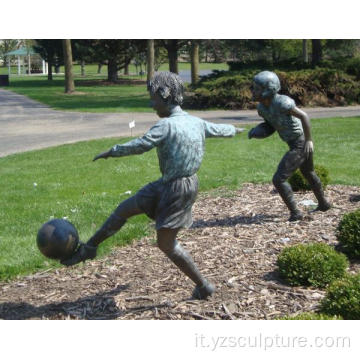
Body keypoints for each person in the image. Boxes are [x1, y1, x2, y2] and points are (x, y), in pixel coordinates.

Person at [61, 71, 244, 300]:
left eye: (153, 98)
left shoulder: (166, 126)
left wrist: (113, 151)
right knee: (124, 209)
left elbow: (141, 145)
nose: (151, 103)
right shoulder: (195, 122)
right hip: (168, 184)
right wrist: (235, 130)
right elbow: (219, 130)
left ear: (164, 95)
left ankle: (204, 285)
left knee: (167, 245)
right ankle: (89, 249)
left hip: (178, 191)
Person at [248, 71, 331, 221]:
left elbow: (304, 116)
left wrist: (309, 140)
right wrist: (256, 132)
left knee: (279, 179)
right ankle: (324, 204)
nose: (252, 91)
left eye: (256, 88)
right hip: (294, 143)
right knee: (309, 173)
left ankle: (296, 213)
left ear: (268, 89)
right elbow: (270, 126)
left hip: (300, 143)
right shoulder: (262, 108)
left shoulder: (283, 103)